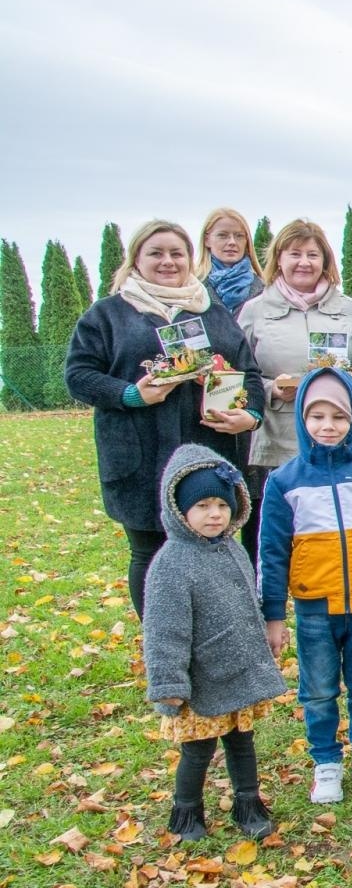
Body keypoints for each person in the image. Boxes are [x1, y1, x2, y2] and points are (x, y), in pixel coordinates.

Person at [66, 219, 266, 619]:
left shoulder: (213, 313)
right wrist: (130, 394)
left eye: (177, 253)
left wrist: (250, 415)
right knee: (149, 552)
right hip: (140, 454)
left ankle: (212, 635)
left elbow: (249, 373)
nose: (168, 261)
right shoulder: (108, 314)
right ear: (136, 259)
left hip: (209, 450)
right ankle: (160, 637)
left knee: (213, 548)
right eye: (156, 253)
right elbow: (79, 375)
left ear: (190, 259)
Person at [257, 369, 352, 803]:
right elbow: (272, 552)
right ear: (302, 419)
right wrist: (272, 615)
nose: (328, 426)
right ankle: (325, 761)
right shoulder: (284, 482)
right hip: (315, 608)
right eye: (317, 416)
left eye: (339, 417)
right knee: (319, 690)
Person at [143, 446, 286, 841]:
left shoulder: (232, 549)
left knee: (242, 742)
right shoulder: (171, 564)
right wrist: (168, 683)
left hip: (238, 671)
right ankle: (187, 812)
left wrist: (262, 641)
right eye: (202, 506)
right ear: (179, 510)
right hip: (201, 679)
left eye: (222, 505)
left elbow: (247, 605)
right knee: (198, 749)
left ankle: (248, 804)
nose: (214, 514)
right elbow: (164, 631)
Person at [237, 218, 352, 565]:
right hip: (277, 440)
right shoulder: (255, 311)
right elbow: (238, 374)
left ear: (326, 261)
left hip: (337, 440)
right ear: (279, 259)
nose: (304, 262)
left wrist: (348, 383)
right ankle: (269, 596)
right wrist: (271, 388)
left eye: (312, 254)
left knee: (333, 536)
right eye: (295, 254)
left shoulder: (350, 310)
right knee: (274, 536)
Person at [198, 207, 265, 317]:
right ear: (207, 240)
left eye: (239, 236)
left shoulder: (265, 291)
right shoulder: (192, 288)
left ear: (247, 241)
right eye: (222, 235)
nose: (232, 242)